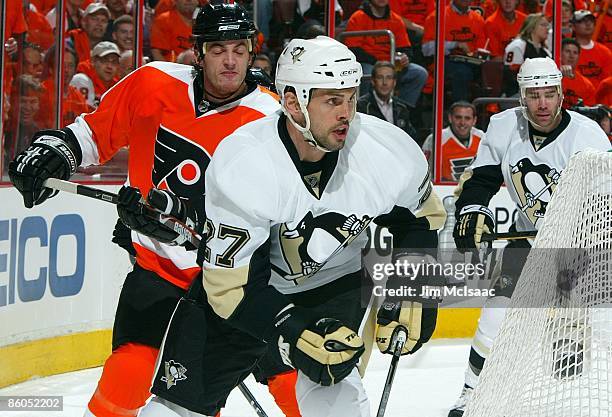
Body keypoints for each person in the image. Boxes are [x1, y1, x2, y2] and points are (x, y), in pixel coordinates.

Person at [7, 4, 292, 417]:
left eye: (238, 48)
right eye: (218, 49)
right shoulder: (153, 83)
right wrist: (58, 151)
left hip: (238, 285)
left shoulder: (271, 121)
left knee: (294, 387)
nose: (230, 60)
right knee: (124, 381)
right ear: (198, 52)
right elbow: (94, 132)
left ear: (251, 52)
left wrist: (193, 227)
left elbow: (285, 209)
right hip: (157, 273)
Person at [138, 35, 445, 417]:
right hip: (250, 292)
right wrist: (290, 330)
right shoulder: (245, 162)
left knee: (338, 401)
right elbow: (230, 288)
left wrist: (414, 288)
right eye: (332, 100)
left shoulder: (384, 150)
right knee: (171, 412)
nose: (347, 112)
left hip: (333, 286)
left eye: (351, 97)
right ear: (292, 102)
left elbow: (418, 219)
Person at [447, 57, 611, 417]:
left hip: (582, 248)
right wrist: (472, 210)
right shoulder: (504, 126)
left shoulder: (588, 136)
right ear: (521, 96)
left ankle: (571, 326)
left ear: (561, 94)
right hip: (528, 244)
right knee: (494, 319)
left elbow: (603, 204)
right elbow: (482, 179)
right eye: (533, 95)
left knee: (606, 327)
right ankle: (470, 393)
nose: (541, 104)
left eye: (548, 94)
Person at [421, 101, 484, 181]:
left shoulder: (482, 137)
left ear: (474, 120)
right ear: (450, 118)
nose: (462, 123)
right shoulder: (435, 139)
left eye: (467, 118)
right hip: (444, 190)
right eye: (458, 117)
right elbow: (424, 171)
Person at [357, 60, 417, 138]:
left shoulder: (401, 108)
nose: (385, 82)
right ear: (373, 81)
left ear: (394, 82)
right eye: (380, 77)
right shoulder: (361, 106)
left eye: (389, 78)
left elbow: (410, 137)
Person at [503, 13, 551, 95]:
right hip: (516, 94)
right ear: (531, 27)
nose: (547, 29)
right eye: (543, 25)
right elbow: (511, 76)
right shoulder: (518, 46)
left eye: (548, 26)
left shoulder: (545, 51)